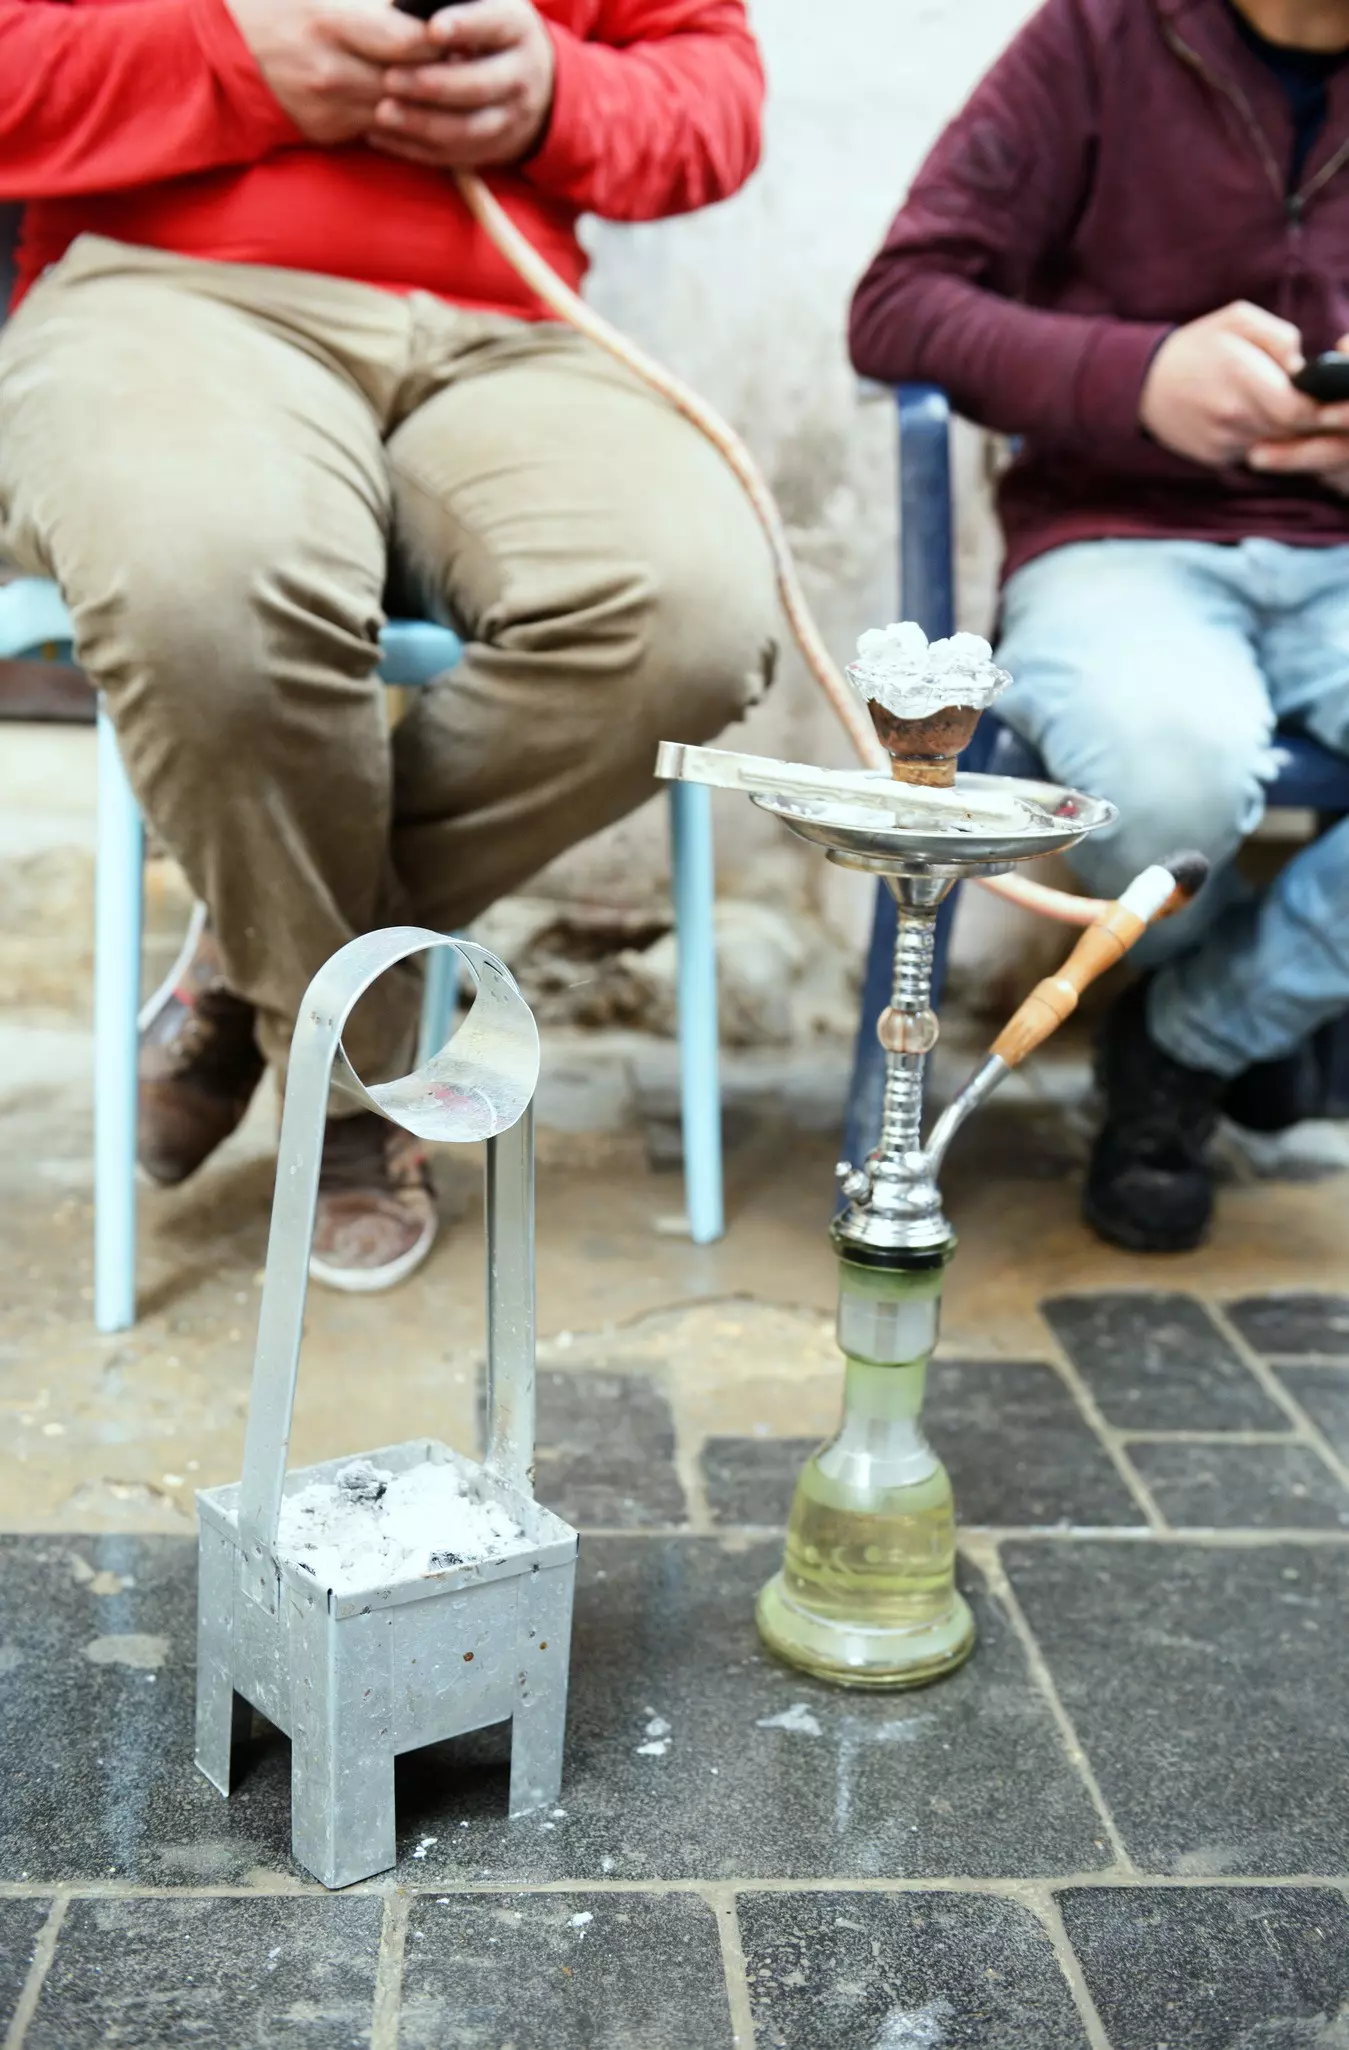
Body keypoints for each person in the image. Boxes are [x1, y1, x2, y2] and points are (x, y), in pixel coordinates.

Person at [0, 0, 778, 1289]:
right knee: (210, 586)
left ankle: (257, 966)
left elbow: (713, 92)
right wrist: (223, 60)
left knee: (687, 619)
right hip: (165, 292)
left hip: (509, 328)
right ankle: (361, 1096)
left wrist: (558, 98)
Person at [850, 0, 1349, 1252]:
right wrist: (1136, 377)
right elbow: (898, 304)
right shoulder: (1096, 38)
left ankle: (1187, 1041)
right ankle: (1248, 1019)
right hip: (1117, 538)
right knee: (1160, 788)